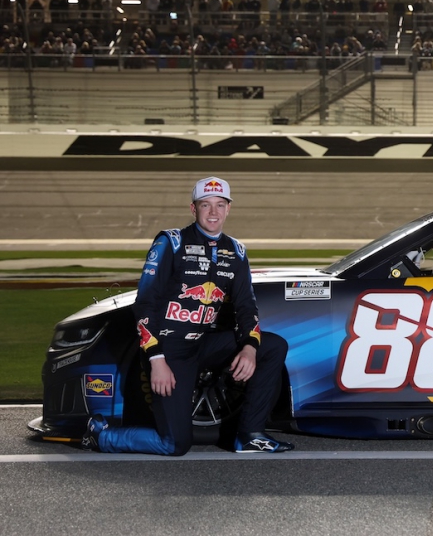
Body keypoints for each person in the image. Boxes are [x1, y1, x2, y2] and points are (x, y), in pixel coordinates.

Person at [81, 177, 293, 455]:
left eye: (220, 205)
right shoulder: (171, 242)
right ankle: (102, 436)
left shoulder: (237, 251)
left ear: (228, 209)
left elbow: (246, 307)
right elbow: (145, 304)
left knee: (273, 345)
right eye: (206, 205)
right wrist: (156, 360)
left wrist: (250, 348)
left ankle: (250, 434)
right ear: (193, 209)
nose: (213, 212)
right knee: (174, 444)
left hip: (203, 343)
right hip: (169, 350)